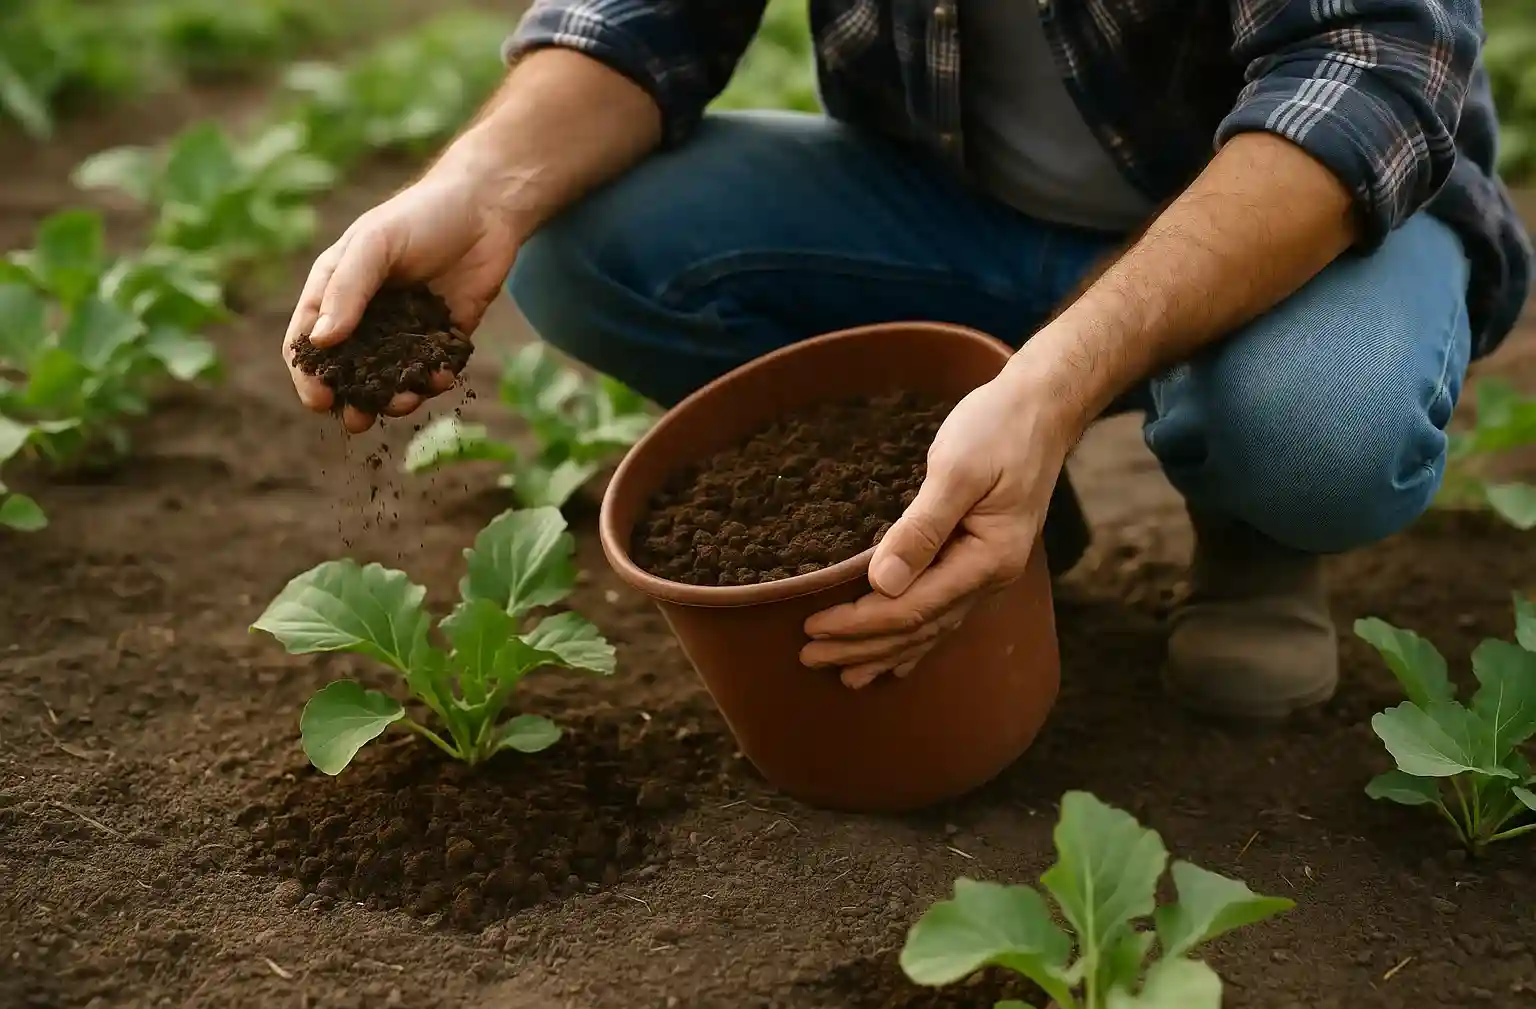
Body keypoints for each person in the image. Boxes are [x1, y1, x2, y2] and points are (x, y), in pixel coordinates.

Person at [283, 0, 1531, 723]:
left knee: (1320, 426)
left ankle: (1252, 529)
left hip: (1293, 223)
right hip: (966, 212)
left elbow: (1365, 73)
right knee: (588, 243)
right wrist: (479, 189)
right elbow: (643, 18)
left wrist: (1059, 378)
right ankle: (968, 490)